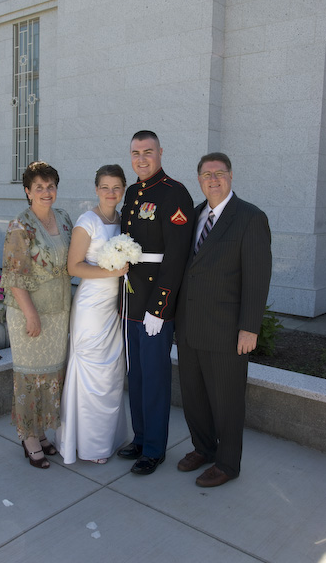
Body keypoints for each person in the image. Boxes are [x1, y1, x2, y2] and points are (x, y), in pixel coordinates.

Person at [175, 152, 272, 487]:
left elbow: (257, 278)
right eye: (206, 175)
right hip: (190, 326)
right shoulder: (194, 215)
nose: (213, 179)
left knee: (227, 401)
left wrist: (250, 327)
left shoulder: (250, 217)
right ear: (199, 180)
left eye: (219, 173)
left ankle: (228, 464)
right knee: (194, 396)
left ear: (230, 176)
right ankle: (203, 448)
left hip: (227, 330)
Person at [117, 130, 195, 475]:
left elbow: (176, 256)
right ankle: (140, 437)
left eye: (148, 152)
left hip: (154, 306)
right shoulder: (133, 192)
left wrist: (160, 307)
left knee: (155, 378)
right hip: (131, 300)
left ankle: (153, 449)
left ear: (160, 152)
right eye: (136, 153)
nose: (142, 159)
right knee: (136, 376)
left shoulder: (174, 193)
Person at [0, 161, 73, 469]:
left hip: (58, 310)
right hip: (29, 311)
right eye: (39, 187)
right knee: (30, 375)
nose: (46, 192)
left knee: (51, 375)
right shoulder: (20, 226)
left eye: (50, 186)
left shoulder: (64, 218)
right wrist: (31, 315)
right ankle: (28, 437)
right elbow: (13, 276)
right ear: (28, 191)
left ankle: (41, 431)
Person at [56, 165, 129, 464]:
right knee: (92, 373)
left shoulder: (123, 220)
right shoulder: (87, 222)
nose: (111, 193)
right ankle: (89, 445)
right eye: (105, 187)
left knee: (111, 374)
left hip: (114, 308)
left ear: (123, 189)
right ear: (96, 189)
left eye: (116, 187)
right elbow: (73, 267)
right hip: (90, 308)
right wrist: (111, 271)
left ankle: (107, 439)